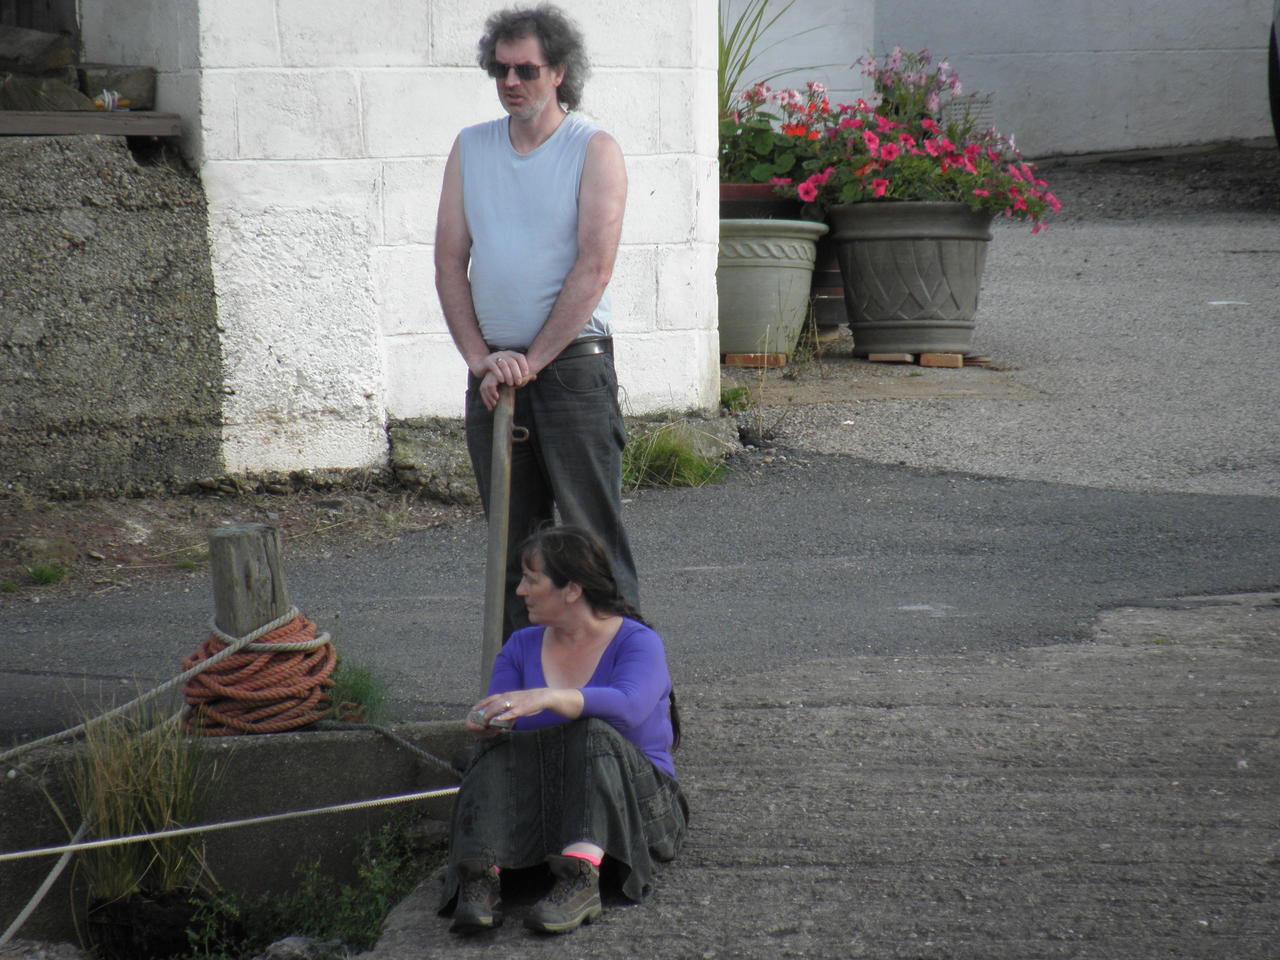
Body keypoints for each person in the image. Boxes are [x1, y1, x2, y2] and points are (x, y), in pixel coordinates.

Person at [434, 4, 639, 639]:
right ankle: (520, 688)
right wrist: (481, 359)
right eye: (500, 69)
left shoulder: (594, 149)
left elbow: (593, 268)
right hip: (497, 375)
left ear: (559, 72)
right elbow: (449, 261)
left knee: (590, 546)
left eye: (525, 69)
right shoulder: (471, 147)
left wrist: (533, 360)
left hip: (572, 370)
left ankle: (626, 688)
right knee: (513, 554)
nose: (510, 82)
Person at [440, 525, 688, 935]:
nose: (520, 590)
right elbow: (504, 712)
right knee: (495, 747)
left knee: (591, 731)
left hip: (639, 808)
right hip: (551, 809)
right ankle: (482, 874)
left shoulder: (638, 641)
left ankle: (580, 876)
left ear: (572, 589)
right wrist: (487, 723)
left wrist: (550, 697)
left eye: (531, 580)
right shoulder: (520, 645)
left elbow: (629, 708)